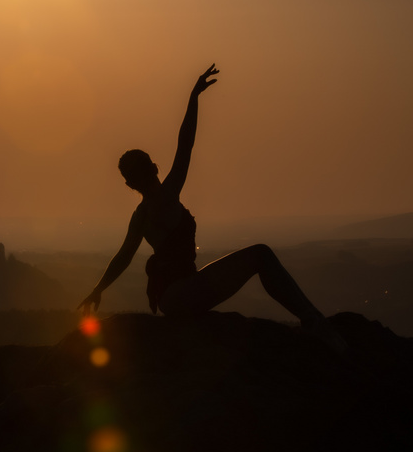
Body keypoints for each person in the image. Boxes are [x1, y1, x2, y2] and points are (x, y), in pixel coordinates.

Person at [79, 65, 346, 352]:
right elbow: (186, 144)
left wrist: (97, 290)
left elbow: (122, 257)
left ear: (130, 184)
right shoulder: (161, 200)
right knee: (261, 255)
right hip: (181, 294)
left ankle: (313, 322)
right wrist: (194, 97)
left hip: (179, 293)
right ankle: (315, 323)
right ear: (153, 168)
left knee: (260, 255)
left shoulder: (145, 212)